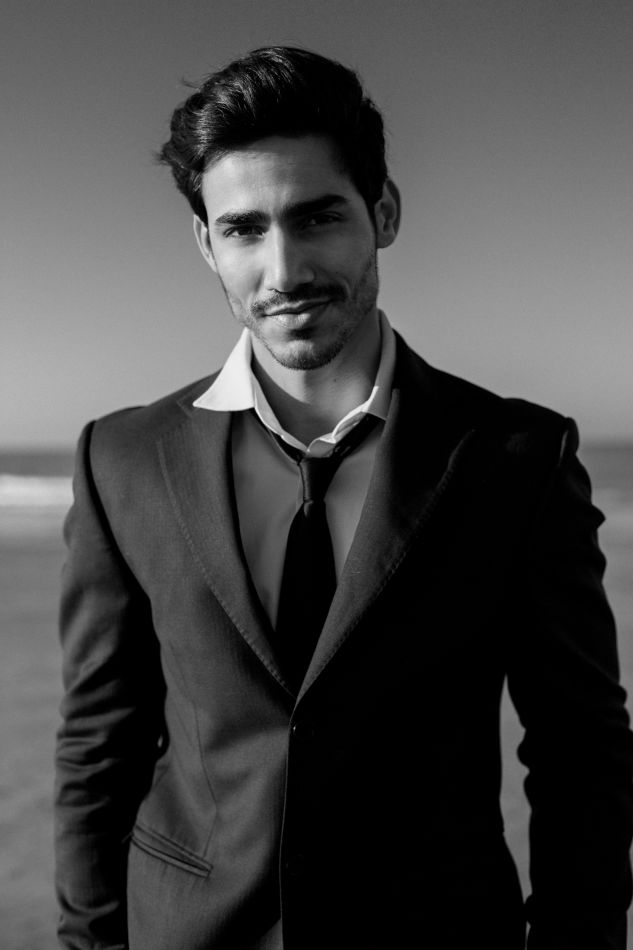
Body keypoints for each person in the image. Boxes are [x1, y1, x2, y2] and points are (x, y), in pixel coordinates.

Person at [55, 46, 633, 950]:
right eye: (243, 229)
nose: (283, 269)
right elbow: (99, 747)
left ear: (383, 213)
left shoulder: (515, 458)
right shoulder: (122, 459)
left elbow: (579, 752)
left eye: (317, 216)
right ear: (206, 244)